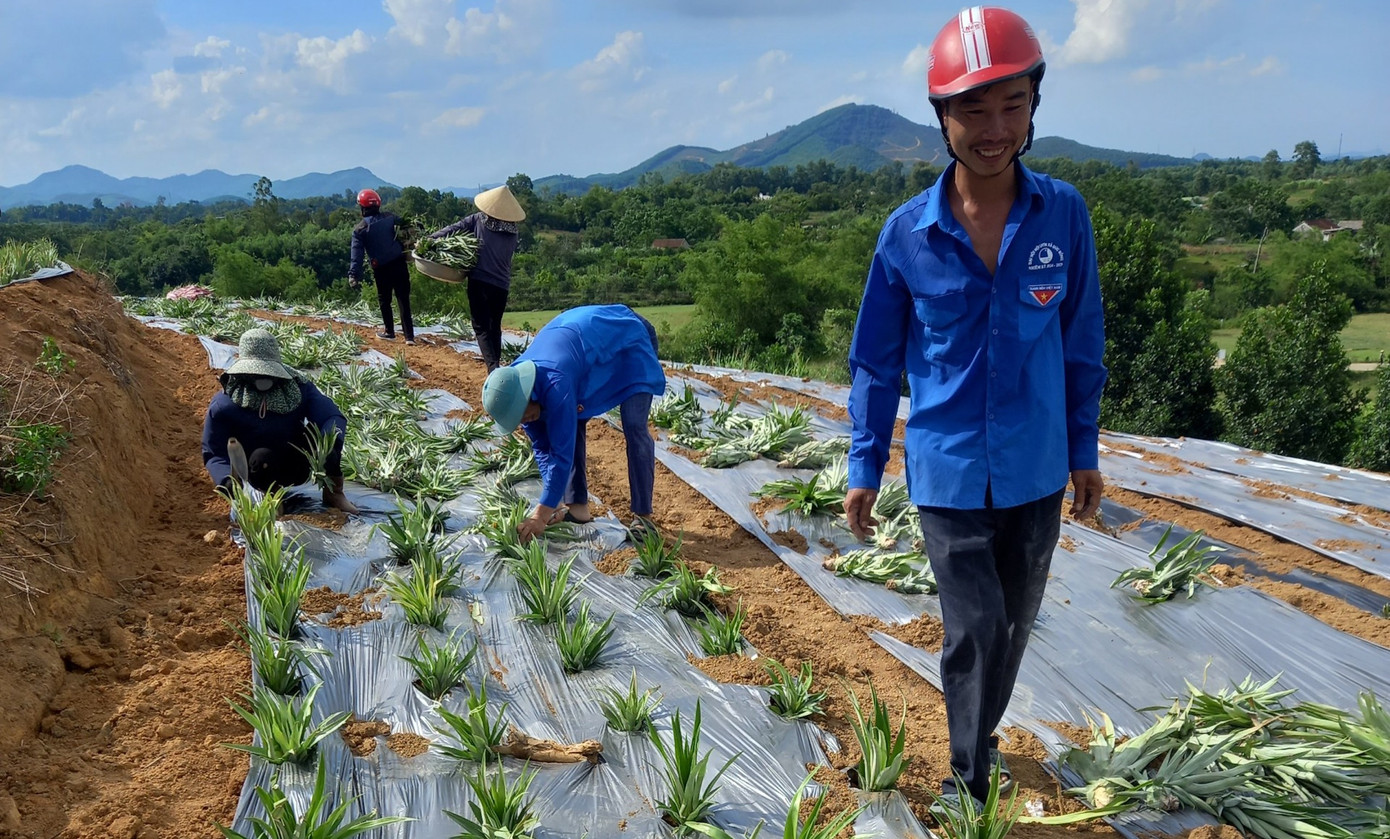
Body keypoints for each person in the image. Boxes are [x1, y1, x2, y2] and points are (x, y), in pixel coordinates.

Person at [842, 6, 1106, 813]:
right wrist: (862, 463)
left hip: (1034, 465)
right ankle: (967, 777)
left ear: (1034, 106)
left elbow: (1081, 337)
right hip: (949, 469)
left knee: (1015, 628)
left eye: (1012, 105)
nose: (995, 128)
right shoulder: (905, 236)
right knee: (977, 627)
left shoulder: (1063, 214)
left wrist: (1084, 448)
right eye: (973, 109)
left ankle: (977, 733)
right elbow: (875, 362)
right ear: (942, 118)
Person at [480, 305, 665, 544]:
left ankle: (644, 517)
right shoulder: (515, 388)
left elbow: (561, 451)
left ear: (528, 395)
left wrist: (541, 515)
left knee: (633, 425)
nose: (522, 422)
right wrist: (552, 501)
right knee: (568, 420)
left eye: (520, 415)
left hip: (628, 336)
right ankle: (577, 509)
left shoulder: (555, 382)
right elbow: (543, 449)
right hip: (587, 347)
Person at [202, 328, 359, 514]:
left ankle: (334, 492)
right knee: (261, 459)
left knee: (327, 440)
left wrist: (331, 441)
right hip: (258, 467)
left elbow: (331, 416)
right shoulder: (226, 403)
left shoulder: (298, 389)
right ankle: (272, 497)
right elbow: (214, 452)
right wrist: (226, 480)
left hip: (295, 461)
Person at [429, 185, 525, 372]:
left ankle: (493, 367)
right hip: (502, 286)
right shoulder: (513, 233)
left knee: (480, 327)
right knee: (494, 326)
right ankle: (496, 363)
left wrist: (430, 239)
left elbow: (453, 229)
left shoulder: (478, 220)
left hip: (480, 282)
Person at [348, 188, 415, 345]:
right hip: (399, 263)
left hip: (381, 268)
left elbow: (356, 254)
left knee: (385, 299)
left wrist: (353, 275)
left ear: (363, 208)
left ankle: (389, 332)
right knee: (403, 298)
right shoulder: (390, 217)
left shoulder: (360, 229)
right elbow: (407, 224)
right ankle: (409, 337)